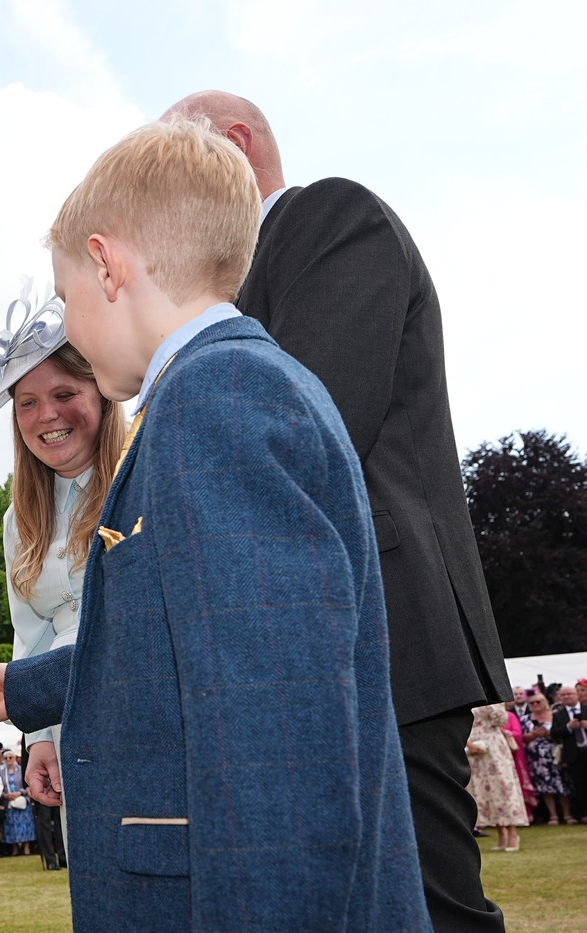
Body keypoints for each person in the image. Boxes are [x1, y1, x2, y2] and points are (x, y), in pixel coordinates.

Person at [0, 118, 431, 931]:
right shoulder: (229, 386)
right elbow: (176, 643)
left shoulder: (215, 402)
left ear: (107, 266)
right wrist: (20, 685)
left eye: (66, 298)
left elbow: (278, 742)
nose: (69, 326)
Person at [164, 90, 510, 932]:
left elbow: (312, 427)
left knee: (433, 904)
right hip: (311, 627)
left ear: (236, 146)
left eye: (178, 169)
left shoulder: (327, 215)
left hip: (387, 621)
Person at [0, 281, 127, 842]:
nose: (46, 415)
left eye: (63, 393)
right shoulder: (19, 518)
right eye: (27, 403)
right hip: (61, 720)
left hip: (131, 703)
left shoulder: (144, 476)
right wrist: (37, 739)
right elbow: (29, 634)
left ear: (102, 390)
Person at [465, 704, 529, 852]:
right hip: (472, 744)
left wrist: (493, 705)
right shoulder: (465, 695)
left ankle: (513, 833)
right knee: (483, 789)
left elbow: (501, 720)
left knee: (503, 786)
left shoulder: (492, 699)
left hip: (494, 745)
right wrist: (469, 743)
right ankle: (501, 833)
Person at [520, 691, 572, 824]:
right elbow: (521, 739)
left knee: (562, 783)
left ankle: (567, 814)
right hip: (536, 758)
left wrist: (549, 733)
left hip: (555, 754)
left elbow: (563, 732)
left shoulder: (555, 716)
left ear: (545, 702)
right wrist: (533, 735)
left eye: (538, 701)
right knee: (544, 787)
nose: (535, 704)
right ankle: (553, 815)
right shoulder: (525, 719)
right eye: (532, 702)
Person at [551, 684, 587, 822]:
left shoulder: (585, 709)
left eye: (570, 694)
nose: (567, 697)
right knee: (579, 785)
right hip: (574, 754)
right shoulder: (559, 715)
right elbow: (554, 733)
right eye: (563, 695)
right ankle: (583, 814)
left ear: (577, 695)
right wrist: (568, 727)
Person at [0, 748, 34, 856]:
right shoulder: (1, 772)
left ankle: (26, 847)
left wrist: (19, 793)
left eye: (10, 757)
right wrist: (5, 795)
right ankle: (15, 848)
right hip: (9, 802)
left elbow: (27, 785)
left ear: (14, 758)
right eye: (6, 758)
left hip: (22, 800)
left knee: (25, 825)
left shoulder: (22, 770)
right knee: (11, 825)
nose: (8, 759)